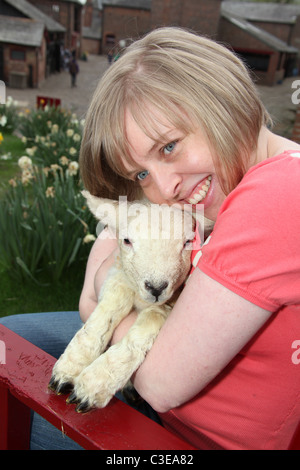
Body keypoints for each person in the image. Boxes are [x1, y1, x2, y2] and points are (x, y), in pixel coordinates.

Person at [1, 27, 299, 450]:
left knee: (14, 408)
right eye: (140, 174)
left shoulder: (278, 196)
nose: (164, 188)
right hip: (165, 405)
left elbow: (159, 382)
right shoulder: (250, 177)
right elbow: (120, 223)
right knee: (8, 339)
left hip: (183, 436)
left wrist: (103, 291)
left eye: (169, 147)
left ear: (219, 100)